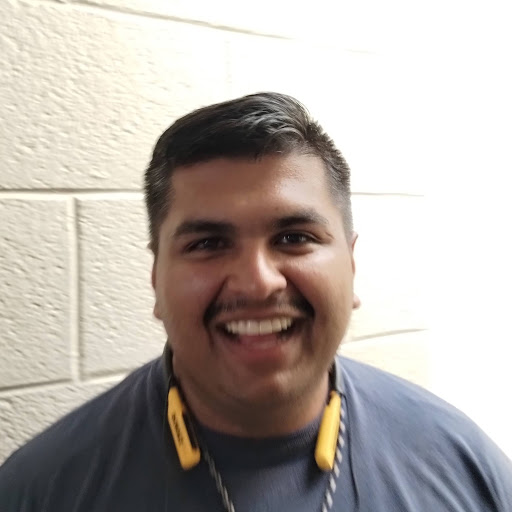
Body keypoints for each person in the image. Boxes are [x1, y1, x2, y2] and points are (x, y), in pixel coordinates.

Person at [0, 92, 511, 512]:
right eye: (208, 243)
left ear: (351, 266)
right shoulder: (40, 489)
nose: (258, 282)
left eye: (294, 238)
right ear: (156, 280)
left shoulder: (466, 466)